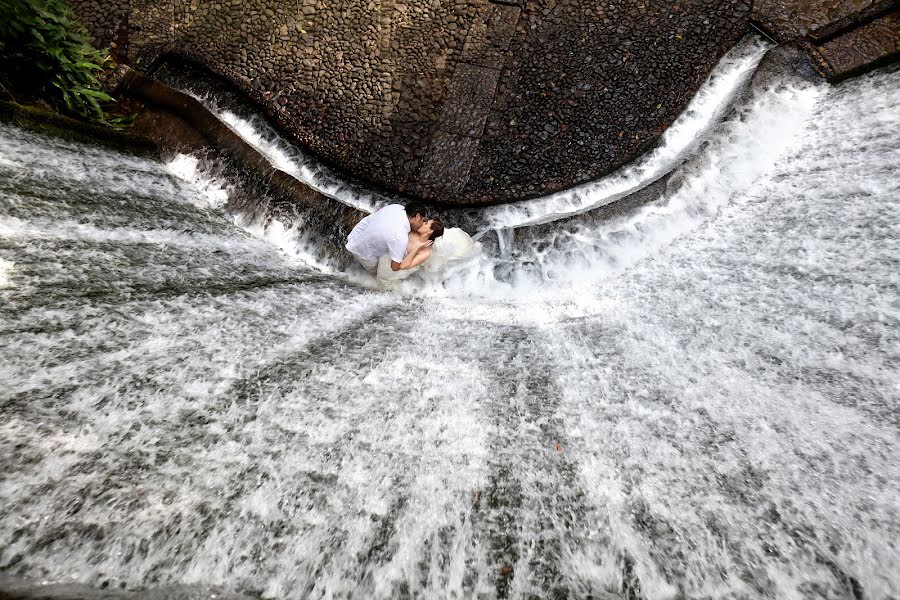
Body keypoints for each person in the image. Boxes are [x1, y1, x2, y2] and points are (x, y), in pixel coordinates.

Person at [345, 204, 430, 275]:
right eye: (423, 221)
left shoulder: (396, 207)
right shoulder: (399, 236)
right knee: (374, 273)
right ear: (417, 217)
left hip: (358, 232)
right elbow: (395, 267)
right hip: (362, 250)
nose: (423, 224)